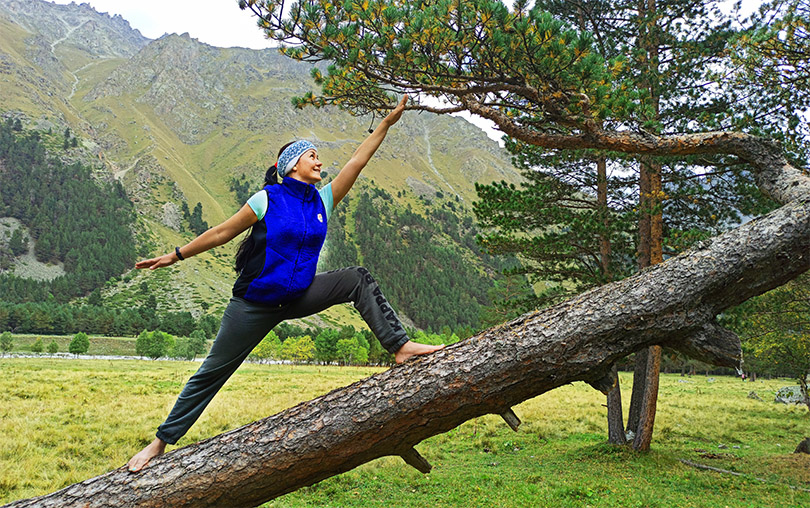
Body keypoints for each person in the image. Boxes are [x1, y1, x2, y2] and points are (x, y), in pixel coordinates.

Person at [127, 95, 444, 472]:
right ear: (294, 164)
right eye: (313, 156)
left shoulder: (322, 200)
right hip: (254, 306)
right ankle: (159, 443)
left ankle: (401, 346)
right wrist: (175, 255)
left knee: (356, 278)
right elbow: (221, 233)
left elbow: (359, 160)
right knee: (212, 372)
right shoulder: (267, 199)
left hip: (299, 295)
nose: (320, 162)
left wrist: (386, 125)